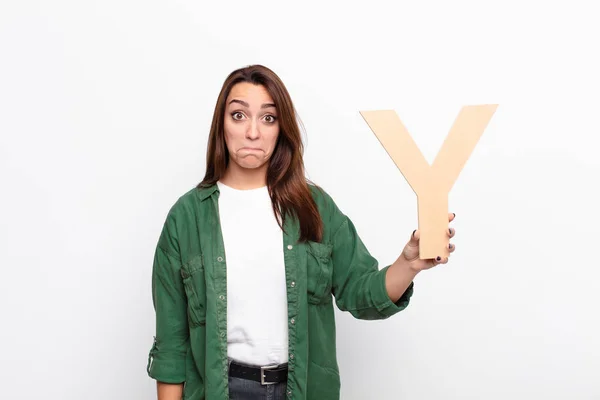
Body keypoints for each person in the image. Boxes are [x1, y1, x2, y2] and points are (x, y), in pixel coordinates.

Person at [146, 64, 456, 400]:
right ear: (221, 124)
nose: (252, 132)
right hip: (222, 391)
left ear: (282, 129)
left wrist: (408, 262)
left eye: (268, 118)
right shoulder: (187, 217)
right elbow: (171, 345)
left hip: (302, 390)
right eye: (238, 115)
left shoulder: (315, 207)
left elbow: (361, 294)